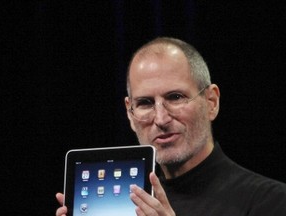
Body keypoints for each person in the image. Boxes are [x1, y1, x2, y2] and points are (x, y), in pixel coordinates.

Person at [56, 37, 286, 216]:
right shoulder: (123, 204)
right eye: (145, 103)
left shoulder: (271, 201)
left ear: (211, 103)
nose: (161, 119)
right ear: (129, 112)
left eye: (175, 97)